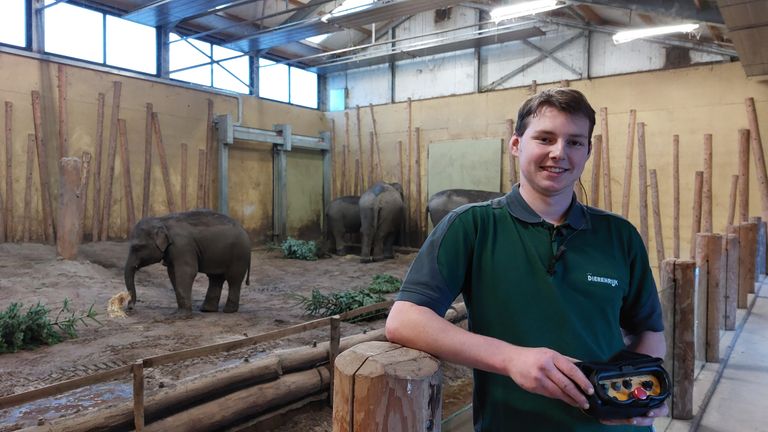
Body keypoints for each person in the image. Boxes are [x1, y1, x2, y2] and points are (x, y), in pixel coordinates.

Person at [385, 88, 667, 431]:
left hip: (614, 425)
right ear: (516, 145)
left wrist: (632, 393)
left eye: (575, 142)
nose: (559, 153)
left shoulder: (620, 235)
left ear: (588, 151)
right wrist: (512, 359)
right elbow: (405, 320)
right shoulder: (472, 226)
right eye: (545, 138)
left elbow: (649, 333)